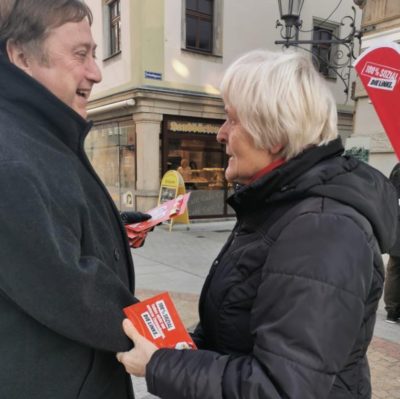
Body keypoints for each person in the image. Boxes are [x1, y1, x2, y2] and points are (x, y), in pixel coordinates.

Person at [116, 50, 398, 398]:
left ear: (274, 135)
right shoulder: (277, 205)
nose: (221, 134)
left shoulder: (324, 230)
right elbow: (235, 328)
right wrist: (179, 348)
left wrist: (161, 364)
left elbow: (283, 388)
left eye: (231, 120)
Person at [0, 1, 145, 398]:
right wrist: (154, 335)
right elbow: (68, 284)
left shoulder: (42, 134)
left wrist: (115, 225)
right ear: (21, 56)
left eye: (95, 54)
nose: (95, 72)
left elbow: (56, 219)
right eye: (80, 54)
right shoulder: (10, 151)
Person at [384, 163, 400, 323]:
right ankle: (394, 310)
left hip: (396, 225)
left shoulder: (396, 168)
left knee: (394, 269)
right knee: (394, 269)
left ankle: (392, 311)